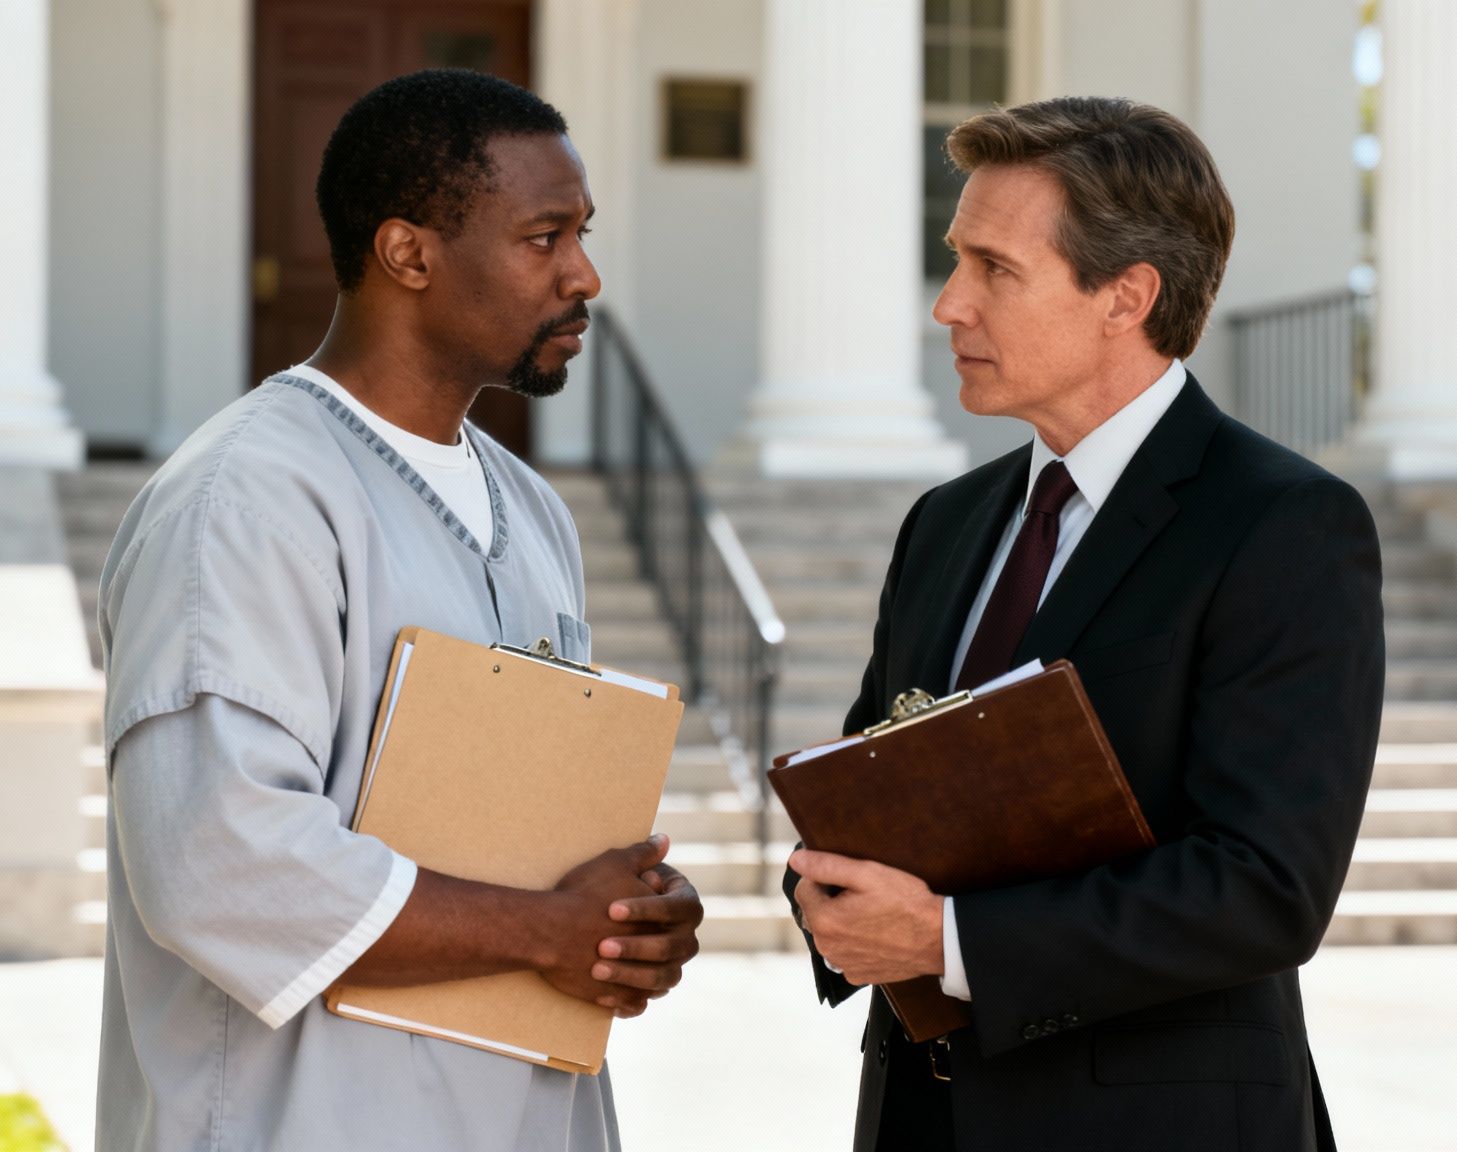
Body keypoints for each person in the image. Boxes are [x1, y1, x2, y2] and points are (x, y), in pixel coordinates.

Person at [95, 70, 701, 1151]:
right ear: (408, 254)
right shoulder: (247, 495)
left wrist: (623, 920)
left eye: (582, 234)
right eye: (543, 237)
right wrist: (546, 930)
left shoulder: (530, 508)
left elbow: (523, 830)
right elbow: (217, 863)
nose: (583, 275)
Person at [783, 96, 1385, 1152]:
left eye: (992, 269)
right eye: (953, 260)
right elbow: (870, 799)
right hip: (919, 1116)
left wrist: (947, 937)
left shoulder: (1283, 523)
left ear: (1126, 296)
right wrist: (830, 896)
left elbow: (1265, 888)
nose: (947, 306)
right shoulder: (944, 522)